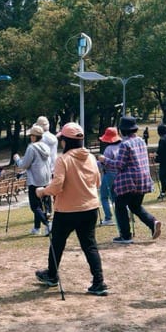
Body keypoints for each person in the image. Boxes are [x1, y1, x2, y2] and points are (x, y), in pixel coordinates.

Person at [35, 122, 107, 296]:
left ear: (66, 141)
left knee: (57, 243)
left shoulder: (63, 160)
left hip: (67, 209)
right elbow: (97, 180)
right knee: (90, 245)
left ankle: (52, 275)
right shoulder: (90, 157)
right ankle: (99, 282)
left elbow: (57, 186)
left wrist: (43, 191)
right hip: (90, 207)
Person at [100, 116, 161, 244]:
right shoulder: (141, 141)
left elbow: (119, 165)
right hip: (144, 179)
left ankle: (125, 236)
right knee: (135, 206)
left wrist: (104, 160)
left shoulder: (125, 144)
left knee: (120, 206)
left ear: (122, 130)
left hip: (129, 180)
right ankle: (153, 223)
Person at [13, 125, 51, 236]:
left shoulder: (31, 148)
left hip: (35, 180)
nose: (30, 137)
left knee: (35, 206)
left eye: (31, 135)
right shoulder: (46, 147)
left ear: (34, 137)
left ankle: (48, 224)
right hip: (46, 179)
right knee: (43, 204)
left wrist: (17, 159)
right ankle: (36, 228)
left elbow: (24, 165)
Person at [97, 127, 121, 226]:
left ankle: (108, 217)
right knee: (115, 196)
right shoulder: (122, 146)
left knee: (104, 197)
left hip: (109, 174)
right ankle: (122, 214)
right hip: (119, 174)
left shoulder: (108, 149)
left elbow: (104, 163)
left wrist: (96, 162)